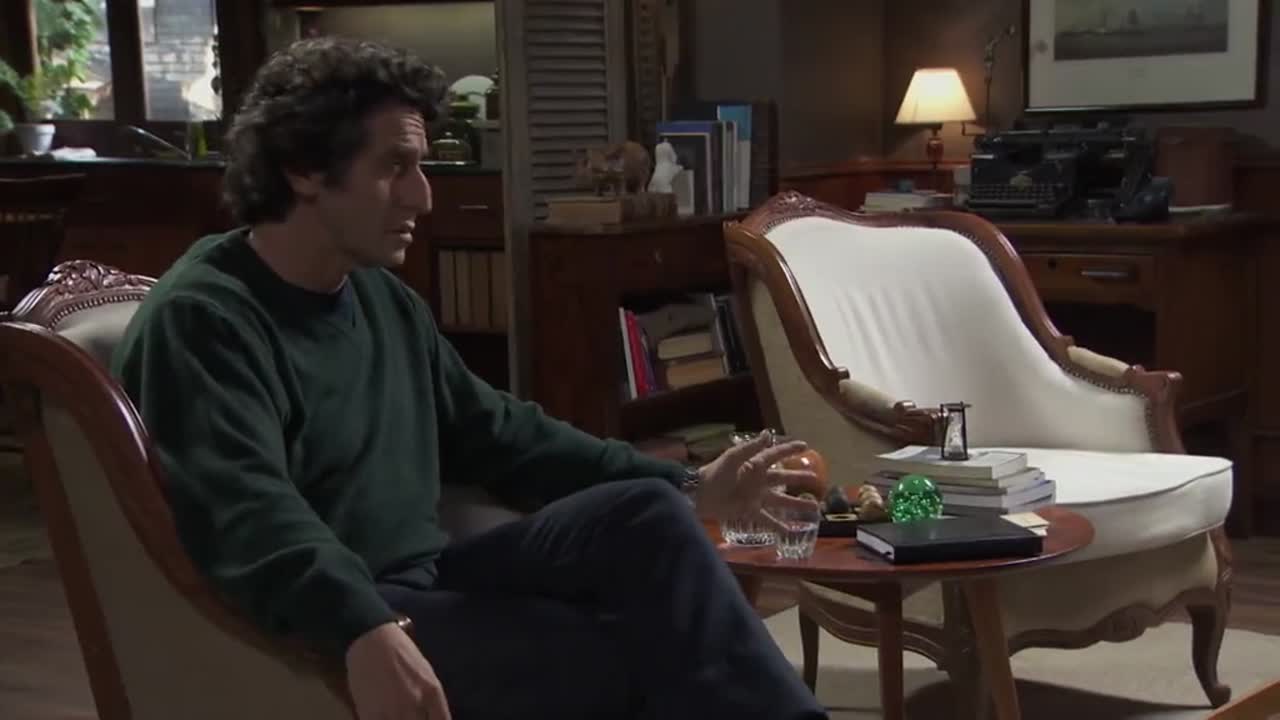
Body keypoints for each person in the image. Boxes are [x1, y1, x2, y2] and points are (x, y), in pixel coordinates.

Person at [111, 37, 828, 720]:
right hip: (329, 616)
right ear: (303, 168)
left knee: (649, 515)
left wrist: (691, 486)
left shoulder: (380, 298)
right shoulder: (205, 320)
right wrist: (361, 622)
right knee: (619, 653)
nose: (422, 197)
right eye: (394, 167)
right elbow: (248, 511)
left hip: (429, 576)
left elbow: (504, 435)